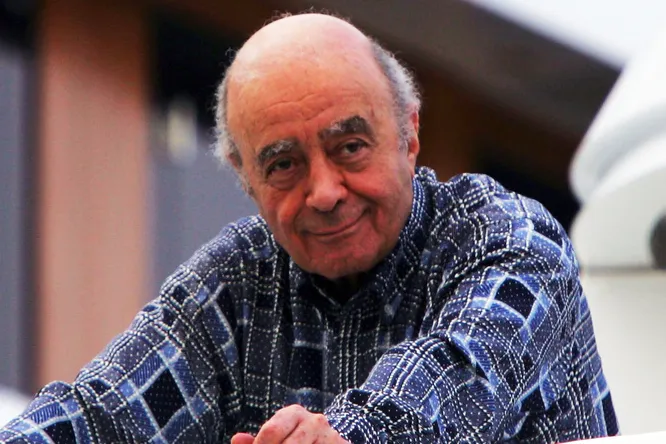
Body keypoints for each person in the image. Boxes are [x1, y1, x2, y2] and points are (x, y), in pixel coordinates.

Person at [0, 12, 617, 444]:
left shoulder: (507, 238)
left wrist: (344, 437)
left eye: (349, 147)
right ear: (245, 180)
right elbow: (103, 416)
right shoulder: (231, 286)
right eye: (284, 165)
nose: (323, 192)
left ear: (409, 136)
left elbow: (460, 379)